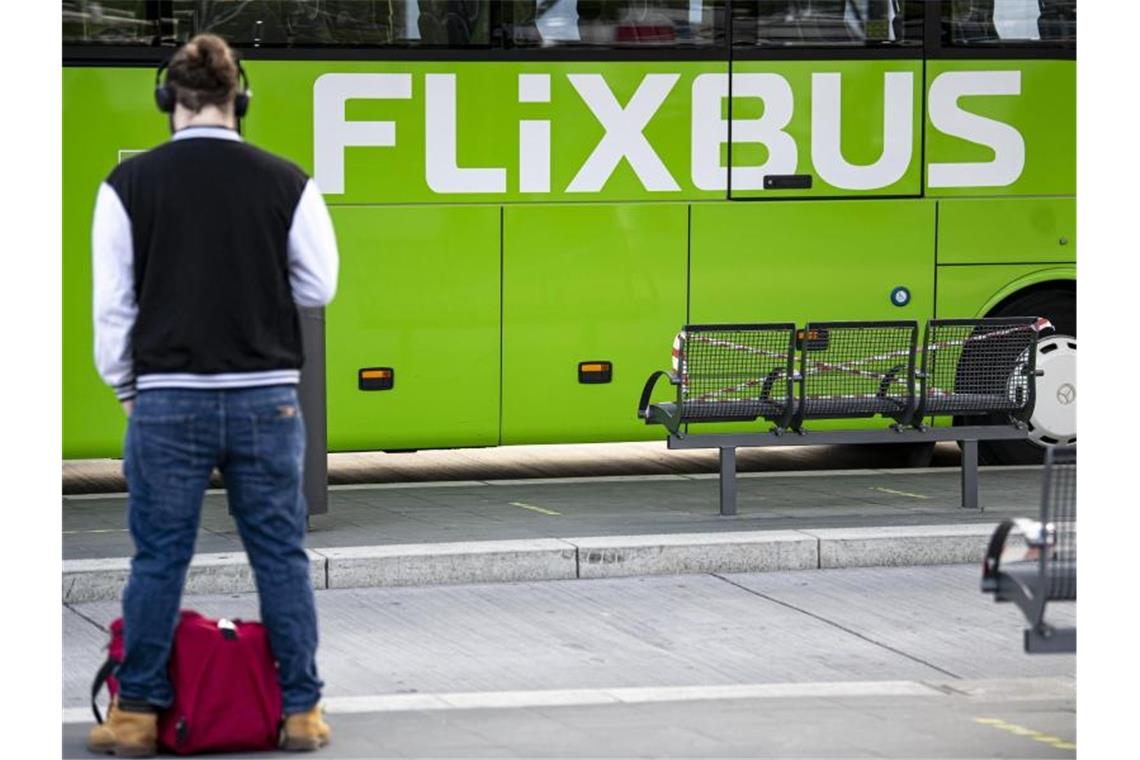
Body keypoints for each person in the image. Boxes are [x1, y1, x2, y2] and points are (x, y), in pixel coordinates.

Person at [86, 33, 339, 756]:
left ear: (169, 101)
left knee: (159, 558)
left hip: (168, 398)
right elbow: (320, 285)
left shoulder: (127, 187)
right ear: (242, 100)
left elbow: (114, 309)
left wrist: (129, 389)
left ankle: (136, 714)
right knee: (280, 556)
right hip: (267, 398)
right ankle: (300, 713)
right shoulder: (287, 180)